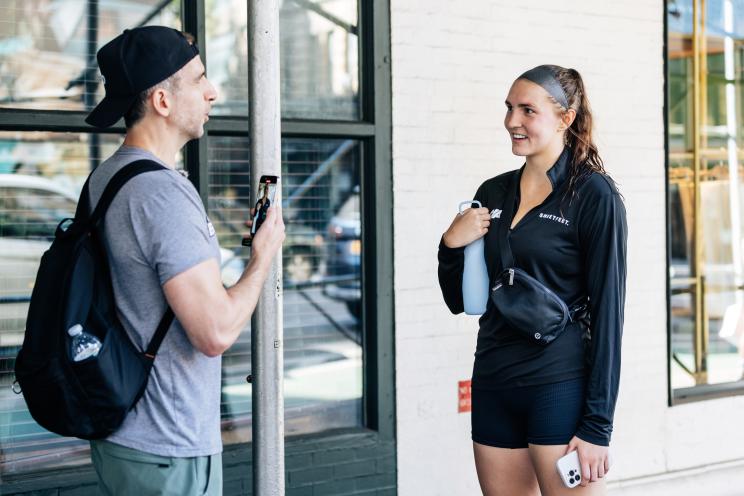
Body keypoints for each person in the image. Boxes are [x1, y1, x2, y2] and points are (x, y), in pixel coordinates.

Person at [83, 26, 285, 495]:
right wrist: (262, 258)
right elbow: (214, 332)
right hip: (167, 447)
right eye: (198, 80)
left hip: (123, 434)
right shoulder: (160, 193)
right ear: (162, 101)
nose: (213, 92)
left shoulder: (108, 176)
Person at [438, 65, 627, 495]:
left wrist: (598, 426)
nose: (511, 121)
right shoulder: (492, 191)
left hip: (558, 385)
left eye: (527, 110)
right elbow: (463, 299)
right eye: (509, 108)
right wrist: (450, 244)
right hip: (494, 380)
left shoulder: (593, 195)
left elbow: (610, 314)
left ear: (565, 117)